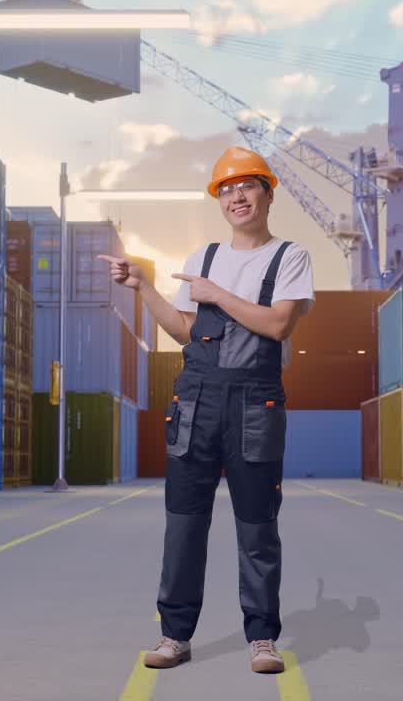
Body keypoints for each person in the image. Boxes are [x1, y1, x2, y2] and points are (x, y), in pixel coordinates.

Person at [99, 146, 314, 675]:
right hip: (196, 401)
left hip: (255, 403)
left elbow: (278, 325)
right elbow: (185, 332)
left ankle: (262, 638)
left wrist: (216, 293)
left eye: (246, 186)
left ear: (267, 191)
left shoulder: (290, 257)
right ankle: (175, 635)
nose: (236, 196)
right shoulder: (205, 257)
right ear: (219, 200)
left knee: (257, 526)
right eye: (226, 189)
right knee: (183, 525)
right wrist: (143, 286)